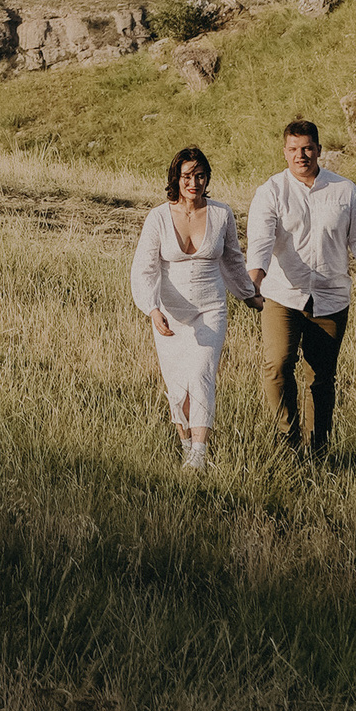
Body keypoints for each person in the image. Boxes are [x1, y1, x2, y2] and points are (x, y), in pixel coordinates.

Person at [245, 116, 356, 461]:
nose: (301, 155)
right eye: (294, 149)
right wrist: (255, 278)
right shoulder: (271, 192)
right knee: (278, 365)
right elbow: (261, 240)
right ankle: (287, 438)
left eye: (308, 148)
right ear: (284, 152)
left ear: (319, 150)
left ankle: (317, 451)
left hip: (331, 295)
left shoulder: (344, 191)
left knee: (321, 377)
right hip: (283, 293)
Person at [130, 145, 259, 471]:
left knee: (201, 373)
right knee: (177, 383)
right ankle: (187, 447)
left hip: (210, 308)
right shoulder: (158, 217)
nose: (194, 182)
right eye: (187, 176)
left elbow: (232, 260)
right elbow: (143, 269)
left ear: (207, 178)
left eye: (200, 176)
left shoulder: (220, 214)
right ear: (177, 178)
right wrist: (152, 308)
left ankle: (200, 454)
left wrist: (249, 295)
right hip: (170, 314)